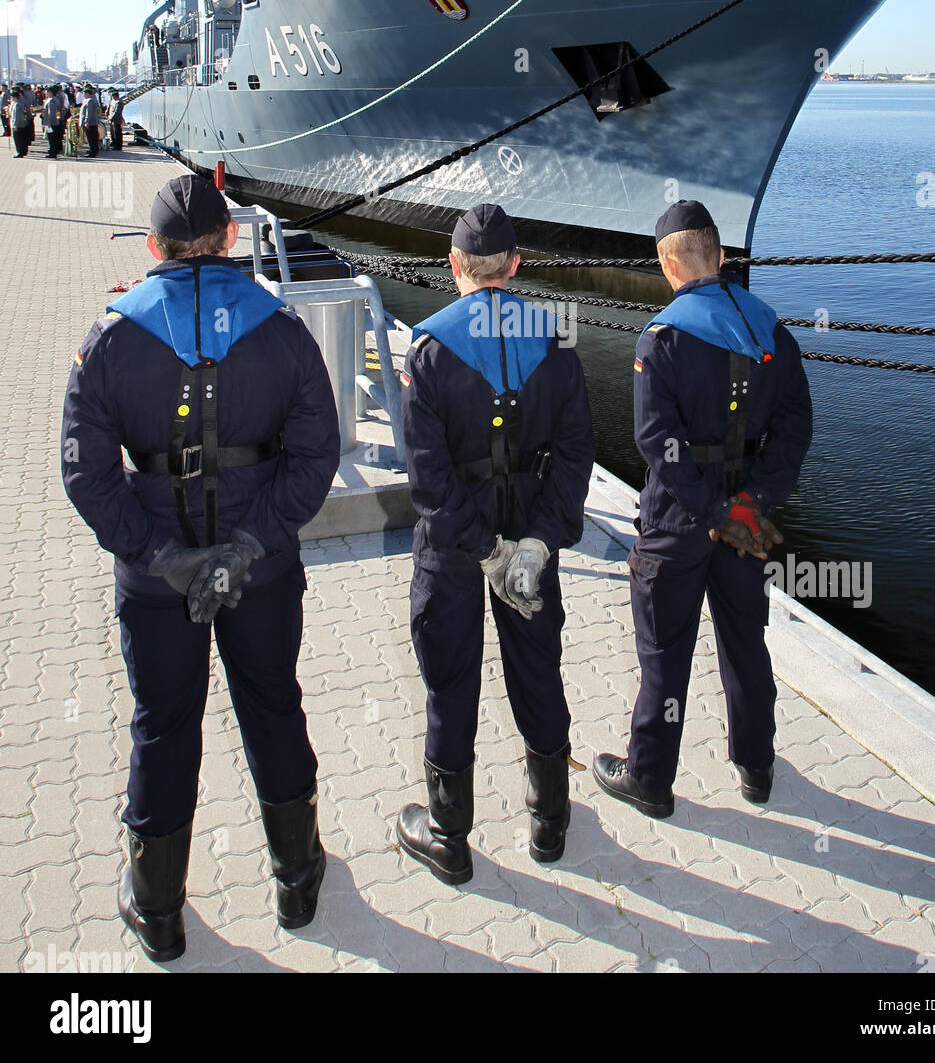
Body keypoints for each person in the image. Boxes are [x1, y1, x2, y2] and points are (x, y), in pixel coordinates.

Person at [61, 174, 341, 961]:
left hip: (156, 579)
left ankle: (157, 909)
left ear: (153, 249)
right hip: (263, 572)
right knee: (272, 705)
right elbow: (318, 454)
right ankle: (297, 879)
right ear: (228, 241)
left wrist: (158, 555)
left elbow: (86, 472)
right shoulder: (282, 329)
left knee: (163, 725)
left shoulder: (111, 336)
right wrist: (252, 543)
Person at [396, 203, 596, 884]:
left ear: (453, 267)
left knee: (450, 684)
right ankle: (549, 826)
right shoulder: (556, 343)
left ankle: (449, 837)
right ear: (515, 265)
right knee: (537, 673)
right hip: (531, 539)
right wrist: (535, 547)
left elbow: (427, 477)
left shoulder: (427, 352)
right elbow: (575, 458)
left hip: (453, 552)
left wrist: (486, 552)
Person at [594, 200, 813, 816]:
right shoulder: (772, 329)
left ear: (668, 262)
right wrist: (750, 504)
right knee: (746, 641)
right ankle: (757, 766)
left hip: (679, 522)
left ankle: (651, 778)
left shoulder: (661, 338)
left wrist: (710, 510)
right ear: (720, 255)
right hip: (746, 521)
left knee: (665, 652)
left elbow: (656, 442)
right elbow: (796, 428)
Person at [12, 84, 34, 158]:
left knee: (19, 139)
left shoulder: (18, 103)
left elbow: (17, 115)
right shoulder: (20, 101)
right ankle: (23, 151)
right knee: (22, 138)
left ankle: (20, 152)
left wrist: (15, 124)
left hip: (20, 123)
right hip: (23, 122)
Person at [79, 82, 101, 157]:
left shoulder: (90, 101)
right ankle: (92, 150)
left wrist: (86, 122)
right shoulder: (89, 100)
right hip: (92, 122)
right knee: (92, 138)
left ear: (87, 93)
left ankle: (93, 152)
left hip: (91, 123)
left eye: (84, 93)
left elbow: (89, 113)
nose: (83, 95)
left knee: (91, 138)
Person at [43, 84, 65, 159]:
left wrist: (48, 122)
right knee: (53, 138)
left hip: (52, 122)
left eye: (47, 91)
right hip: (54, 122)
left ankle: (52, 152)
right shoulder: (54, 99)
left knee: (52, 138)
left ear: (50, 92)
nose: (45, 93)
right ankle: (53, 151)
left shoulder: (52, 100)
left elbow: (51, 113)